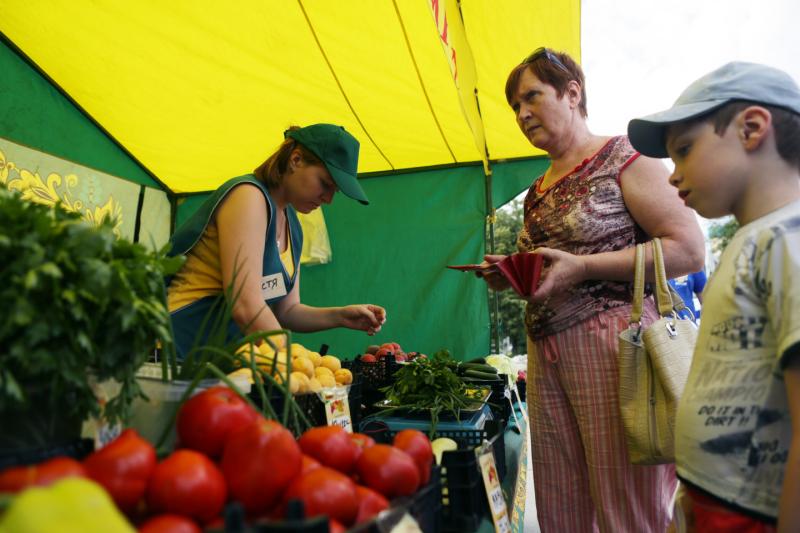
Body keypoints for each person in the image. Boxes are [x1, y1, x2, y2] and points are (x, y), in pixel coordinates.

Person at [480, 48, 705, 532]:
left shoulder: (624, 157)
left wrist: (581, 267)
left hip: (616, 347)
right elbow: (555, 269)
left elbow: (688, 250)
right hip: (547, 353)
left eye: (531, 98)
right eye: (515, 107)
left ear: (572, 93)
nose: (521, 115)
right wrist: (516, 273)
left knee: (629, 509)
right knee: (563, 508)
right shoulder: (539, 188)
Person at [629, 61, 800, 532]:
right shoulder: (751, 241)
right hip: (712, 502)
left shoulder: (787, 240)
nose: (671, 174)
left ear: (751, 128)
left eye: (683, 150)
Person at [166, 123, 386, 359]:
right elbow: (245, 303)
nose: (329, 198)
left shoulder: (294, 225)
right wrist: (293, 364)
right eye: (325, 183)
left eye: (336, 191)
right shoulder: (248, 197)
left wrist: (340, 316)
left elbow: (288, 310)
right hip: (174, 352)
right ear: (296, 160)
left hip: (216, 360)